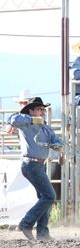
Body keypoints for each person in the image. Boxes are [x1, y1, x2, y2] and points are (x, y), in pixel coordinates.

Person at [7, 97, 63, 240]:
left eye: (43, 109)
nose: (42, 112)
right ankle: (26, 223)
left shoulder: (45, 127)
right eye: (39, 109)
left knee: (44, 197)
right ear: (31, 111)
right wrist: (32, 120)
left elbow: (55, 140)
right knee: (49, 196)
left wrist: (59, 145)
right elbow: (13, 119)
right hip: (31, 164)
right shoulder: (26, 123)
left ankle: (42, 232)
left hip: (38, 165)